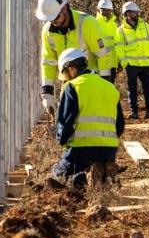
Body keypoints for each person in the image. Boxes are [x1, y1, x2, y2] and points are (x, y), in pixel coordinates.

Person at [36, 0, 114, 118]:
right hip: (67, 83)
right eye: (49, 20)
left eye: (55, 18)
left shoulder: (87, 24)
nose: (53, 23)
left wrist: (105, 85)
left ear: (65, 8)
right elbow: (48, 62)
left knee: (90, 121)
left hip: (91, 81)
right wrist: (47, 92)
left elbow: (103, 56)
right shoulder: (48, 31)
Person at [50, 47, 124, 186]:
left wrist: (62, 141)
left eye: (65, 74)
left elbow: (65, 123)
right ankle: (105, 175)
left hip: (81, 150)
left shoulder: (72, 87)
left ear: (71, 69)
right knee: (98, 169)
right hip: (108, 150)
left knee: (58, 173)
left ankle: (81, 178)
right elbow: (119, 126)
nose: (65, 79)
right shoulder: (110, 87)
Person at [118, 1, 149, 119]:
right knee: (132, 90)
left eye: (137, 12)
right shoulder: (120, 31)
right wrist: (125, 63)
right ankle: (134, 112)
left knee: (148, 88)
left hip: (146, 64)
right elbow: (119, 48)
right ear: (127, 13)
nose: (137, 14)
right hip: (131, 65)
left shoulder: (146, 26)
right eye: (135, 12)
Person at [94, 0, 124, 84]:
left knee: (110, 87)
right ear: (99, 10)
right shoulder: (94, 23)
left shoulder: (114, 25)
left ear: (111, 10)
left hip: (112, 63)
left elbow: (117, 44)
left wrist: (119, 62)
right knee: (101, 88)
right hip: (100, 63)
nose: (105, 13)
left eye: (107, 10)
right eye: (103, 10)